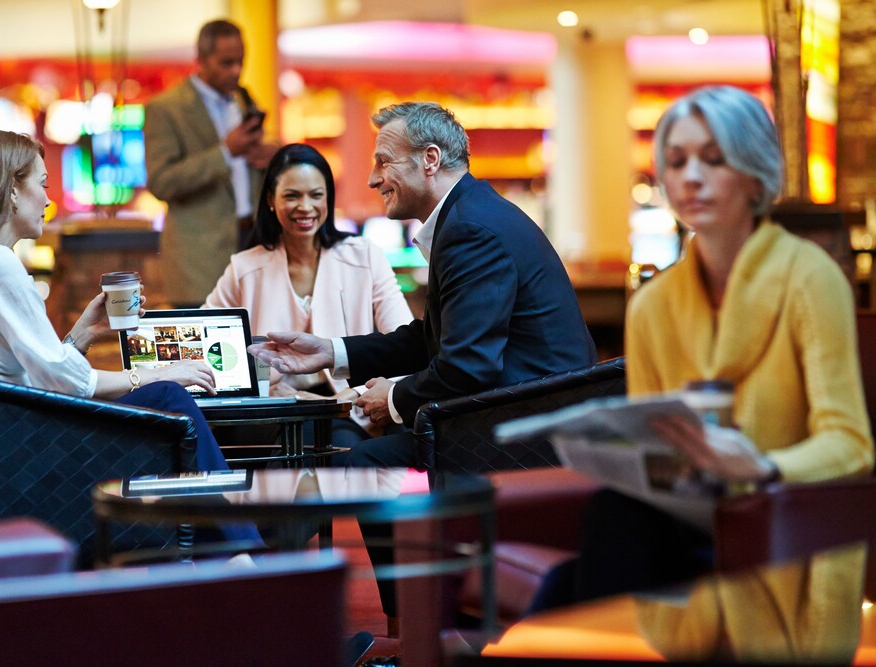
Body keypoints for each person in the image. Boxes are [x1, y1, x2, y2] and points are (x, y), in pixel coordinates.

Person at [533, 85, 874, 609]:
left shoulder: (810, 279)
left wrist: (761, 467)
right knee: (582, 560)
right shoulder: (653, 305)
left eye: (714, 160)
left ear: (754, 171)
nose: (691, 176)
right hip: (685, 517)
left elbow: (851, 444)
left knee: (594, 556)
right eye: (677, 161)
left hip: (778, 513)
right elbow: (652, 446)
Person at [250, 102, 597, 467]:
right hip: (523, 412)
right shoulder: (468, 216)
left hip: (532, 430)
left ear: (430, 159)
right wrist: (331, 351)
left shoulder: (470, 230)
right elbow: (429, 337)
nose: (372, 179)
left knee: (354, 462)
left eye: (384, 162)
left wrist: (395, 397)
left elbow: (468, 366)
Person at [0, 130, 238, 480]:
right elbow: (64, 381)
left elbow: (41, 374)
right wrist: (157, 373)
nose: (49, 200)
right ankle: (234, 528)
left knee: (161, 405)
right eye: (43, 184)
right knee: (168, 396)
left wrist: (81, 335)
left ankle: (214, 528)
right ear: (12, 191)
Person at [203, 143, 413, 443]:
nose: (305, 207)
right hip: (272, 410)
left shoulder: (364, 256)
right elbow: (204, 345)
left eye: (316, 195)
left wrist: (359, 392)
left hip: (346, 409)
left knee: (333, 446)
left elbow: (405, 345)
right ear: (271, 201)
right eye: (292, 195)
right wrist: (258, 388)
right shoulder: (244, 267)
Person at [144, 19, 275, 308]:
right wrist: (225, 153)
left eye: (241, 62)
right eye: (226, 63)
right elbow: (161, 181)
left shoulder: (243, 98)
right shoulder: (166, 109)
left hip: (250, 241)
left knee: (255, 343)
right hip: (199, 259)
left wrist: (269, 155)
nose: (236, 71)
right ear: (201, 60)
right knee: (205, 348)